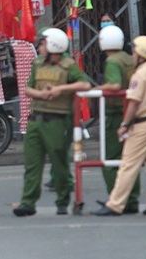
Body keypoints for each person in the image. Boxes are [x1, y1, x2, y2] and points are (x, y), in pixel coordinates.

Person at [14, 28, 92, 217]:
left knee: (59, 163)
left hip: (57, 120)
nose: (40, 48)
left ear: (54, 46)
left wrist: (60, 89)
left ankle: (62, 201)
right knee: (32, 164)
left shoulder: (68, 65)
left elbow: (85, 84)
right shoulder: (38, 64)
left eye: (43, 44)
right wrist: (40, 94)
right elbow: (27, 89)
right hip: (35, 119)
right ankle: (28, 202)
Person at [95, 36, 146, 216]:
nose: (133, 56)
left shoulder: (140, 74)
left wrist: (124, 124)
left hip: (143, 123)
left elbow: (133, 102)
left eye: (135, 52)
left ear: (141, 55)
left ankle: (115, 204)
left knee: (129, 165)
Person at [95, 25, 139, 213]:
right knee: (130, 159)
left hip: (116, 114)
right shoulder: (129, 58)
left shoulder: (112, 61)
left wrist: (95, 90)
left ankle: (116, 199)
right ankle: (131, 201)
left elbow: (114, 84)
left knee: (110, 159)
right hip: (132, 112)